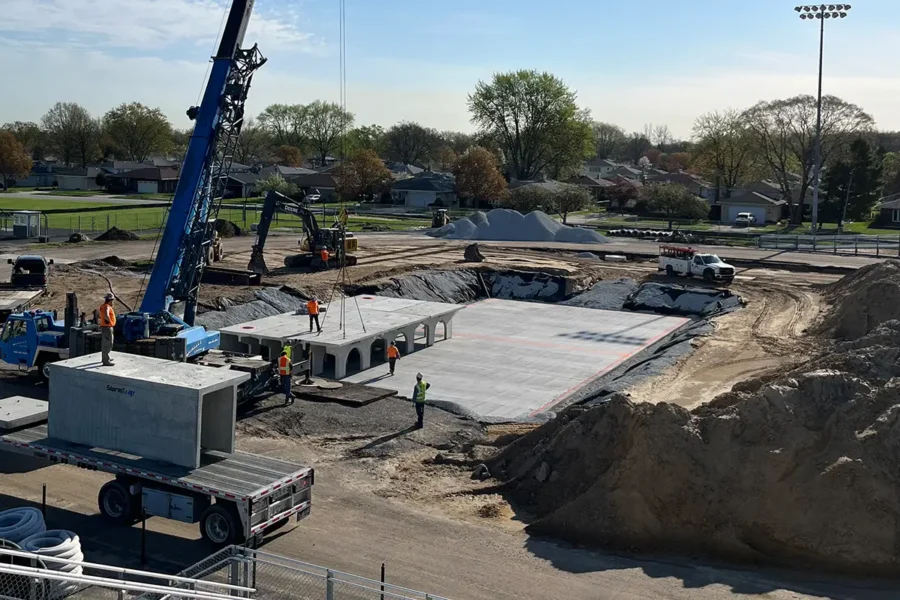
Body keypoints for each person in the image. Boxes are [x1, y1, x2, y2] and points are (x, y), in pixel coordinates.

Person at [98, 293, 116, 366]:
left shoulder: (103, 306)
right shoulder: (107, 307)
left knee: (106, 343)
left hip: (105, 327)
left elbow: (100, 315)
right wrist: (108, 320)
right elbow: (106, 315)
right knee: (108, 343)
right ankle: (106, 360)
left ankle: (105, 358)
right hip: (107, 328)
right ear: (110, 300)